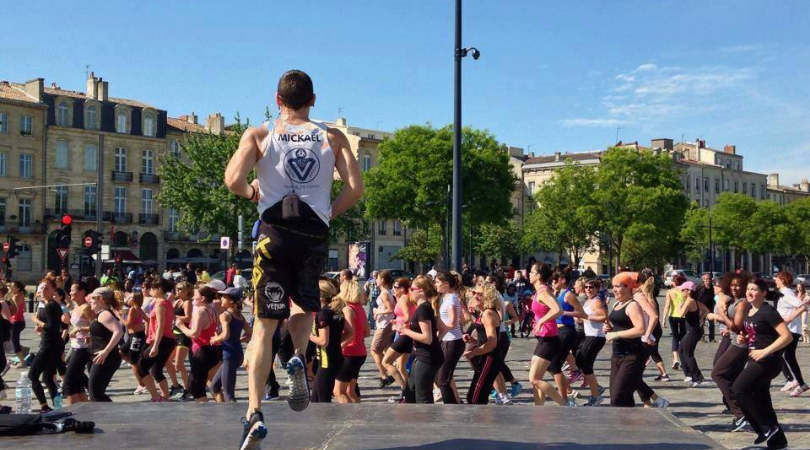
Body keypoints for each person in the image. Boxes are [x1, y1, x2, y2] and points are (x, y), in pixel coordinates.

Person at [225, 69, 363, 450]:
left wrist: (256, 193)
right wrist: (327, 212)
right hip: (313, 232)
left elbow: (233, 180)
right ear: (313, 100)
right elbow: (356, 188)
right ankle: (299, 356)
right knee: (304, 302)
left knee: (264, 327)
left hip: (274, 232)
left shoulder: (259, 133)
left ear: (277, 99)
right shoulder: (332, 137)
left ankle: (254, 412)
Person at [732, 279, 793, 449]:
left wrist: (765, 351)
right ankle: (778, 441)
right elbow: (753, 334)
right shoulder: (750, 311)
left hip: (768, 361)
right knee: (761, 398)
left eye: (754, 289)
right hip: (756, 359)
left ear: (764, 293)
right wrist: (742, 338)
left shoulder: (769, 311)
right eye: (748, 288)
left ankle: (765, 428)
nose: (749, 292)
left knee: (739, 389)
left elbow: (786, 336)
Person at [606, 272, 668, 408]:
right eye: (613, 286)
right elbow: (621, 325)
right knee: (618, 397)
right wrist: (610, 329)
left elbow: (640, 328)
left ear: (628, 287)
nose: (614, 289)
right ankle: (628, 424)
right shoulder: (617, 304)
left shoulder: (633, 304)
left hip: (632, 355)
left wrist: (617, 335)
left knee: (618, 396)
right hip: (617, 355)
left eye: (618, 286)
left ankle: (647, 406)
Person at [709, 272, 751, 432]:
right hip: (734, 340)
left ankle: (740, 413)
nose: (734, 288)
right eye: (732, 285)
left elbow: (737, 326)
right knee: (732, 377)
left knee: (717, 373)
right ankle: (745, 410)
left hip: (740, 345)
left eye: (738, 285)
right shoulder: (733, 299)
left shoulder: (742, 303)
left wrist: (721, 315)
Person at [392, 275, 444, 404]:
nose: (410, 291)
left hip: (427, 357)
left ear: (421, 291)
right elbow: (441, 328)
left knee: (422, 396)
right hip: (421, 355)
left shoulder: (424, 309)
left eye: (412, 288)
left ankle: (426, 422)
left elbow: (427, 338)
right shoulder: (423, 308)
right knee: (410, 392)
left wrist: (405, 330)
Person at [526, 263, 567, 406]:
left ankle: (564, 404)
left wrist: (541, 322)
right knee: (536, 379)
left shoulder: (543, 292)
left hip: (550, 340)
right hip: (544, 339)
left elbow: (558, 310)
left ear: (538, 276)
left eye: (531, 272)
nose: (528, 274)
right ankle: (539, 409)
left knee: (534, 378)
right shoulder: (540, 291)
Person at [175, 286, 222, 403]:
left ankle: (204, 414)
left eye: (195, 295)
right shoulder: (213, 310)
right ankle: (222, 407)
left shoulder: (200, 311)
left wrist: (181, 326)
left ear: (202, 298)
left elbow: (195, 334)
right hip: (213, 350)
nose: (192, 297)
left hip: (202, 351)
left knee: (196, 387)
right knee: (209, 382)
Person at [549, 268, 586, 405]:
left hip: (567, 331)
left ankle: (565, 398)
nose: (552, 282)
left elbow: (581, 313)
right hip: (557, 331)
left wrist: (563, 312)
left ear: (562, 280)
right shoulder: (557, 293)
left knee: (555, 365)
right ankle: (566, 393)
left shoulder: (568, 294)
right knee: (551, 364)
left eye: (555, 280)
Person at [137, 277, 177, 402]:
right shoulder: (166, 302)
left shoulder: (160, 304)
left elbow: (160, 325)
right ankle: (165, 397)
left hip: (162, 340)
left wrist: (155, 345)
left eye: (153, 288)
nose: (150, 290)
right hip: (167, 340)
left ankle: (155, 396)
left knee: (141, 366)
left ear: (159, 289)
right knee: (156, 370)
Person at [463, 282, 503, 405]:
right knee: (474, 396)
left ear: (487, 296)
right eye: (474, 293)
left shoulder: (488, 313)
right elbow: (486, 337)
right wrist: (473, 339)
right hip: (485, 357)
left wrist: (473, 352)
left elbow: (492, 342)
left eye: (479, 294)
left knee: (475, 398)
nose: (475, 296)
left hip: (489, 357)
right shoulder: (483, 312)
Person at [210, 287, 252, 403]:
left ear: (232, 301)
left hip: (229, 356)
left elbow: (226, 335)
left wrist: (216, 339)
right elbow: (250, 333)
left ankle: (231, 418)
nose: (221, 299)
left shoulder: (225, 315)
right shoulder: (240, 316)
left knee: (229, 395)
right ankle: (223, 413)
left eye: (224, 297)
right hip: (237, 354)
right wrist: (238, 340)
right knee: (214, 387)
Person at [28, 279, 64, 412]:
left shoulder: (50, 306)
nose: (43, 290)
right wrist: (41, 327)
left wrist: (37, 321)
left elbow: (53, 327)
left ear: (53, 290)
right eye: (41, 288)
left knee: (32, 376)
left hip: (49, 345)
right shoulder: (50, 304)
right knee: (48, 377)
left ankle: (44, 406)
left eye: (46, 288)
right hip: (54, 344)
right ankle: (58, 406)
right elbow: (59, 324)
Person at [308, 281, 344, 403]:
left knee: (323, 401)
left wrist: (308, 335)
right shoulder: (336, 310)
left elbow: (323, 341)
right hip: (334, 357)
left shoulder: (323, 313)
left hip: (326, 361)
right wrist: (337, 341)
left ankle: (329, 421)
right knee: (315, 399)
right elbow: (350, 332)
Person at [773, 272, 808, 397]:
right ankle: (800, 383)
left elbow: (802, 306)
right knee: (789, 356)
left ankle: (791, 379)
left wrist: (788, 318)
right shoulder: (785, 293)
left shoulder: (787, 293)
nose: (775, 280)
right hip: (790, 329)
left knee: (775, 353)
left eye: (776, 278)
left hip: (790, 329)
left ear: (782, 280)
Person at [87, 287, 124, 402]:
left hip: (106, 359)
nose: (90, 301)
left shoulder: (105, 314)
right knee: (96, 393)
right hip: (102, 357)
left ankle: (110, 416)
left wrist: (105, 351)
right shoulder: (102, 314)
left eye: (93, 298)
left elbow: (119, 332)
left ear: (101, 300)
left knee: (95, 393)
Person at [382, 277, 414, 402]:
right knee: (401, 366)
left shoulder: (403, 298)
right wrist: (397, 320)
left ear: (402, 289)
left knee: (386, 362)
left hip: (404, 335)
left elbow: (407, 317)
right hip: (406, 334)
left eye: (395, 287)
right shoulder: (404, 298)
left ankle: (405, 389)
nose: (393, 290)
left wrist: (397, 323)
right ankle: (408, 393)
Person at [434, 271, 464, 404]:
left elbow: (453, 322)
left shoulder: (452, 298)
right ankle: (453, 403)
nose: (435, 285)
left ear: (446, 284)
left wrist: (439, 329)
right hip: (446, 340)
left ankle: (452, 406)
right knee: (440, 376)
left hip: (452, 341)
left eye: (437, 282)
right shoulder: (445, 297)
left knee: (443, 380)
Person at [63, 281, 95, 405]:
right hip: (75, 345)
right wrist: (67, 321)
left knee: (68, 382)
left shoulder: (86, 307)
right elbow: (78, 324)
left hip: (83, 348)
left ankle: (72, 414)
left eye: (73, 290)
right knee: (76, 380)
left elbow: (97, 326)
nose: (70, 292)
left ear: (82, 292)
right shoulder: (76, 306)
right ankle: (86, 409)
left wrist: (80, 330)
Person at [335, 280, 367, 403]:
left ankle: (347, 419)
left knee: (338, 391)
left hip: (349, 352)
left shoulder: (348, 309)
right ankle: (357, 416)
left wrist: (338, 347)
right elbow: (367, 332)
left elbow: (351, 334)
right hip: (360, 351)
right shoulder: (360, 308)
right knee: (350, 391)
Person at [577, 278, 607, 405]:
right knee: (579, 360)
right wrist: (579, 319)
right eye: (587, 287)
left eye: (591, 287)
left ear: (597, 289)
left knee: (584, 364)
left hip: (596, 336)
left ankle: (596, 396)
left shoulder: (596, 301)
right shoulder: (587, 301)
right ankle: (596, 387)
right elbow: (583, 319)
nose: (588, 289)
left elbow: (604, 316)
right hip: (588, 335)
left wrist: (588, 317)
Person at [370, 270, 396, 388]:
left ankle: (384, 375)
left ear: (383, 281)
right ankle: (392, 372)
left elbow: (391, 309)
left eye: (378, 278)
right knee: (385, 349)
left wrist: (377, 311)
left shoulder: (385, 293)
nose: (376, 280)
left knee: (374, 350)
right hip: (384, 323)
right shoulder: (385, 292)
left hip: (384, 325)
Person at [168, 282, 193, 400]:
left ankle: (189, 389)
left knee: (178, 363)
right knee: (167, 361)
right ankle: (176, 385)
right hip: (175, 333)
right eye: (176, 289)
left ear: (187, 291)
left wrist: (174, 317)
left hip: (184, 334)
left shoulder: (187, 302)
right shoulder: (177, 301)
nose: (177, 291)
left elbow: (188, 318)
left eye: (180, 289)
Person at [121, 290, 148, 395]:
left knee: (133, 362)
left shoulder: (133, 309)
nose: (128, 299)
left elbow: (128, 325)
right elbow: (148, 320)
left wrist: (119, 316)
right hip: (136, 336)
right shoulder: (139, 309)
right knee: (121, 352)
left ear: (135, 299)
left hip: (136, 337)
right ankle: (139, 369)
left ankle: (142, 384)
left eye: (130, 298)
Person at [663, 274, 687, 371]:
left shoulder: (670, 292)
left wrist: (663, 319)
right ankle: (683, 359)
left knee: (675, 337)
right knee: (683, 337)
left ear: (674, 282)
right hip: (683, 316)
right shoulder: (685, 292)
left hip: (673, 316)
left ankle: (675, 359)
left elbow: (667, 306)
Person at [9, 281, 28, 368]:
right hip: (20, 321)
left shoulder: (16, 296)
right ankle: (23, 350)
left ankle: (22, 363)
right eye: (10, 286)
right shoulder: (21, 295)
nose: (11, 288)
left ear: (18, 288)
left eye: (13, 287)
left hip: (16, 322)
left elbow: (15, 310)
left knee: (14, 342)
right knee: (10, 339)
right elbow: (24, 309)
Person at [696, 273, 716, 342]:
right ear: (703, 280)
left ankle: (712, 337)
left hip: (710, 307)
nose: (708, 280)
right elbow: (696, 296)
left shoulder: (713, 288)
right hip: (702, 307)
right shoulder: (700, 287)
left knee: (711, 323)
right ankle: (702, 337)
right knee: (701, 322)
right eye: (706, 279)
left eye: (709, 279)